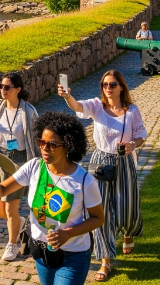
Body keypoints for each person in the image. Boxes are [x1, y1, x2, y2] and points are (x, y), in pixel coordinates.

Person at [0, 112, 104, 285]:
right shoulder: (34, 167)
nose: (44, 148)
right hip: (41, 251)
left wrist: (68, 233)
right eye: (41, 142)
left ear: (68, 146)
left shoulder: (84, 181)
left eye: (52, 145)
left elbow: (98, 218)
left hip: (73, 254)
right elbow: (3, 188)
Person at [58, 71, 148, 281]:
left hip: (125, 162)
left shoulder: (132, 110)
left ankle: (127, 232)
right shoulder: (97, 106)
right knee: (101, 211)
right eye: (105, 84)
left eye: (113, 84)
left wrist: (131, 145)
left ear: (121, 87)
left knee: (127, 207)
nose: (108, 87)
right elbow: (77, 106)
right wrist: (66, 96)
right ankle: (105, 261)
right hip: (100, 164)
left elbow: (141, 135)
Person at [0, 73, 40, 261]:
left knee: (10, 208)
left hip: (18, 161)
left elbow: (37, 138)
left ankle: (12, 244)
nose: (3, 90)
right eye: (1, 86)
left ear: (18, 89)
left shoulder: (28, 111)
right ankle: (20, 222)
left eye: (7, 87)